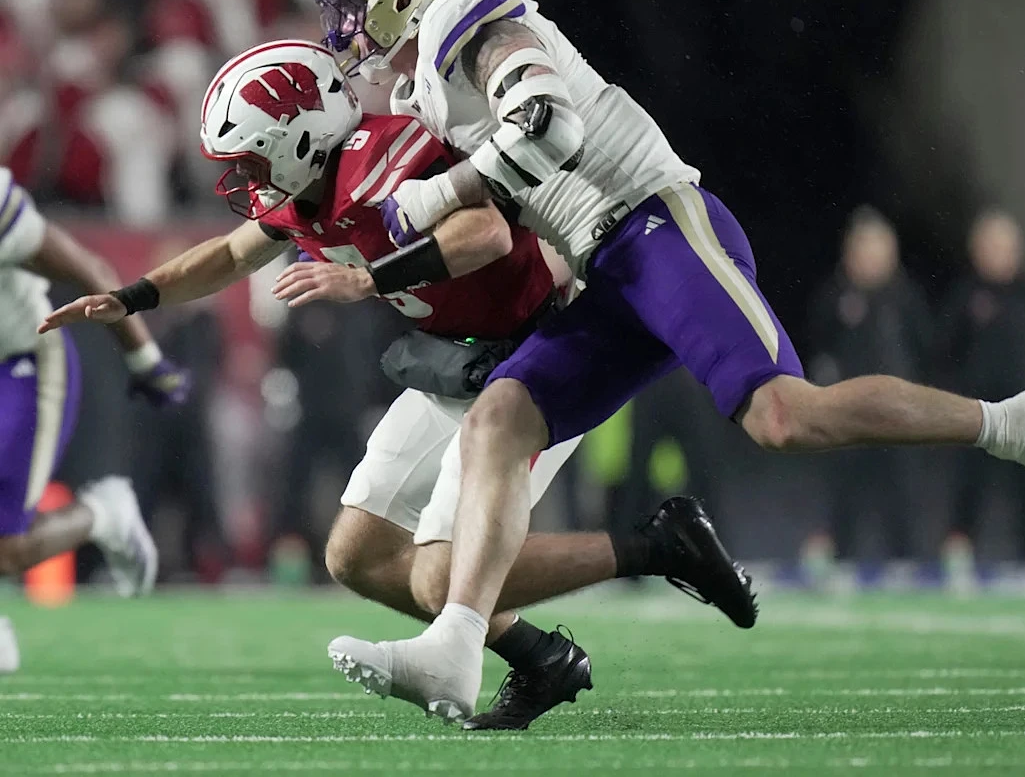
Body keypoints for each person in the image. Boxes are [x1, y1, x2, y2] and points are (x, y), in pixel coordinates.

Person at [301, 0, 1025, 723]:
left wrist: (442, 193)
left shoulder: (465, 19)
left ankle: (1015, 422)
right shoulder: (424, 88)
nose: (348, 28)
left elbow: (548, 121)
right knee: (498, 422)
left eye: (357, 6)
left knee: (785, 417)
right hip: (607, 267)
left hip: (657, 225)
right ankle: (457, 648)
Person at [40, 40, 755, 728]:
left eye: (252, 159)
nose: (245, 180)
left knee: (441, 575)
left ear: (298, 137)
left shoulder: (386, 156)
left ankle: (659, 547)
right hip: (460, 359)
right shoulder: (304, 190)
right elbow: (230, 254)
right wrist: (132, 297)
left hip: (538, 357)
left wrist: (368, 279)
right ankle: (541, 659)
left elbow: (485, 233)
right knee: (357, 557)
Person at [0, 165, 188, 672]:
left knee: (6, 549)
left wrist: (145, 360)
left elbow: (90, 270)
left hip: (20, 362)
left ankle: (103, 513)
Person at [805, 208, 932, 564]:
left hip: (897, 418)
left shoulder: (905, 298)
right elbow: (817, 344)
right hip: (848, 417)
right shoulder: (835, 297)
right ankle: (839, 563)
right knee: (844, 498)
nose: (872, 259)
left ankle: (908, 566)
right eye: (865, 250)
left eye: (880, 250)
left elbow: (927, 348)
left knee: (903, 499)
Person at [941, 211, 1025, 565]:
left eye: (1006, 247)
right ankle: (958, 553)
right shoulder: (966, 294)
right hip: (979, 409)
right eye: (991, 246)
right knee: (969, 483)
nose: (999, 254)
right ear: (976, 251)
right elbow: (948, 346)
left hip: (1022, 410)